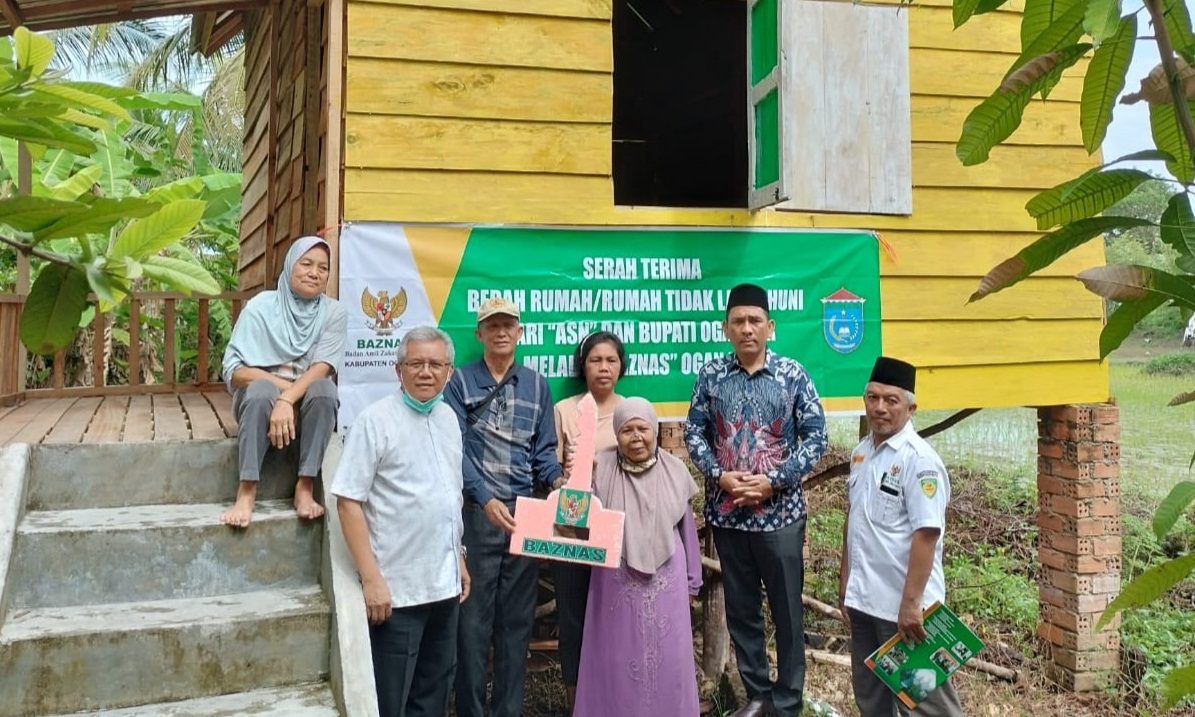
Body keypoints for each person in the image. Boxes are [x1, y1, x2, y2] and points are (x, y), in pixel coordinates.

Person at [685, 283, 828, 717]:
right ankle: (758, 694)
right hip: (728, 518)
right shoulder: (710, 376)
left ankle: (787, 702)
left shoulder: (794, 376)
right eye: (738, 322)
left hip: (780, 518)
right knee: (742, 611)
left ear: (771, 327)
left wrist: (774, 481)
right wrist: (719, 475)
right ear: (726, 329)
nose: (747, 329)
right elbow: (694, 432)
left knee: (787, 613)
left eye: (755, 321)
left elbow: (816, 436)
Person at [331, 326, 471, 717]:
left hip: (444, 587)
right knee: (390, 701)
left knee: (433, 695)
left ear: (450, 372)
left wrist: (458, 556)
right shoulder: (375, 422)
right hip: (396, 594)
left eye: (435, 364)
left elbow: (449, 495)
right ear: (398, 371)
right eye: (416, 363)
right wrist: (372, 578)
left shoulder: (448, 419)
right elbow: (348, 501)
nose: (425, 372)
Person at [446, 296, 563, 717]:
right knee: (472, 626)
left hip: (526, 516)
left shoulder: (537, 384)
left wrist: (557, 480)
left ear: (519, 332)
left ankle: (507, 711)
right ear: (479, 334)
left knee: (516, 626)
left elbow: (544, 452)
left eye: (507, 325)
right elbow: (452, 450)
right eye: (491, 325)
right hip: (477, 516)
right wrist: (483, 497)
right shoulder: (458, 382)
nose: (500, 332)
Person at [839, 357, 964, 717]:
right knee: (871, 700)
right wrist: (846, 580)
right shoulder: (862, 453)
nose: (879, 407)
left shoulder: (919, 461)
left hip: (904, 611)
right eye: (872, 397)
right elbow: (855, 519)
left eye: (891, 400)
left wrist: (912, 604)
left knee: (926, 706)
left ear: (910, 408)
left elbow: (926, 535)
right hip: (864, 602)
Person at [574, 397, 702, 717]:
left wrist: (691, 583)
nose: (636, 437)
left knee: (668, 661)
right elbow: (579, 522)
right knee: (613, 658)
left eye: (643, 428)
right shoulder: (600, 467)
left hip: (667, 582)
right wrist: (580, 480)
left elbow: (688, 532)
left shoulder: (674, 470)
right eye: (627, 430)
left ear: (654, 430)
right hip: (614, 581)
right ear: (616, 435)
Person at [220, 236, 347, 528]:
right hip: (258, 405)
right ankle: (247, 490)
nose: (314, 273)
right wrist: (281, 393)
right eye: (306, 264)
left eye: (323, 268)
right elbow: (235, 371)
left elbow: (323, 368)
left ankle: (304, 486)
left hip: (305, 407)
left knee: (326, 389)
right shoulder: (260, 307)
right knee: (261, 388)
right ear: (290, 265)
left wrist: (289, 399)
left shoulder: (334, 312)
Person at [552, 330, 627, 713]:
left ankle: (614, 701)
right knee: (574, 617)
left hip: (619, 531)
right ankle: (576, 704)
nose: (603, 367)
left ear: (621, 366)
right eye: (595, 360)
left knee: (615, 618)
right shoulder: (566, 409)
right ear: (582, 366)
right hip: (572, 529)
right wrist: (564, 480)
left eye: (611, 360)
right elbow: (551, 467)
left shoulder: (632, 410)